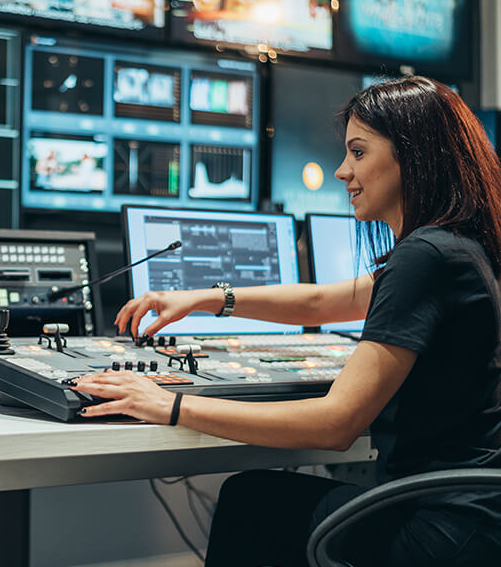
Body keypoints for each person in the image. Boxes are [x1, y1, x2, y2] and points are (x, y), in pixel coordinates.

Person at [70, 77, 501, 566]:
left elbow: (335, 423)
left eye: (358, 153)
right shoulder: (463, 246)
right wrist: (205, 298)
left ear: (413, 155)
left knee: (249, 501)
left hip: (440, 527)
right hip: (475, 521)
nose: (342, 171)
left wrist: (171, 404)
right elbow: (318, 303)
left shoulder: (426, 256)